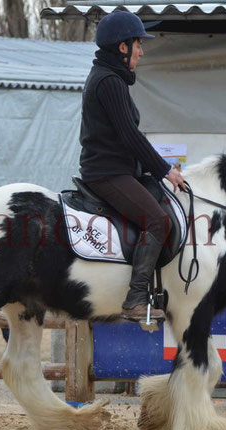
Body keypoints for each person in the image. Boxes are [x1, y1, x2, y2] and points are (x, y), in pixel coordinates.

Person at [78, 11, 185, 323]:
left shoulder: (109, 78)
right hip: (107, 173)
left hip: (117, 169)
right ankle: (136, 297)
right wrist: (166, 170)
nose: (142, 50)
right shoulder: (109, 81)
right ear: (122, 47)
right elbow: (129, 136)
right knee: (158, 221)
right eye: (138, 44)